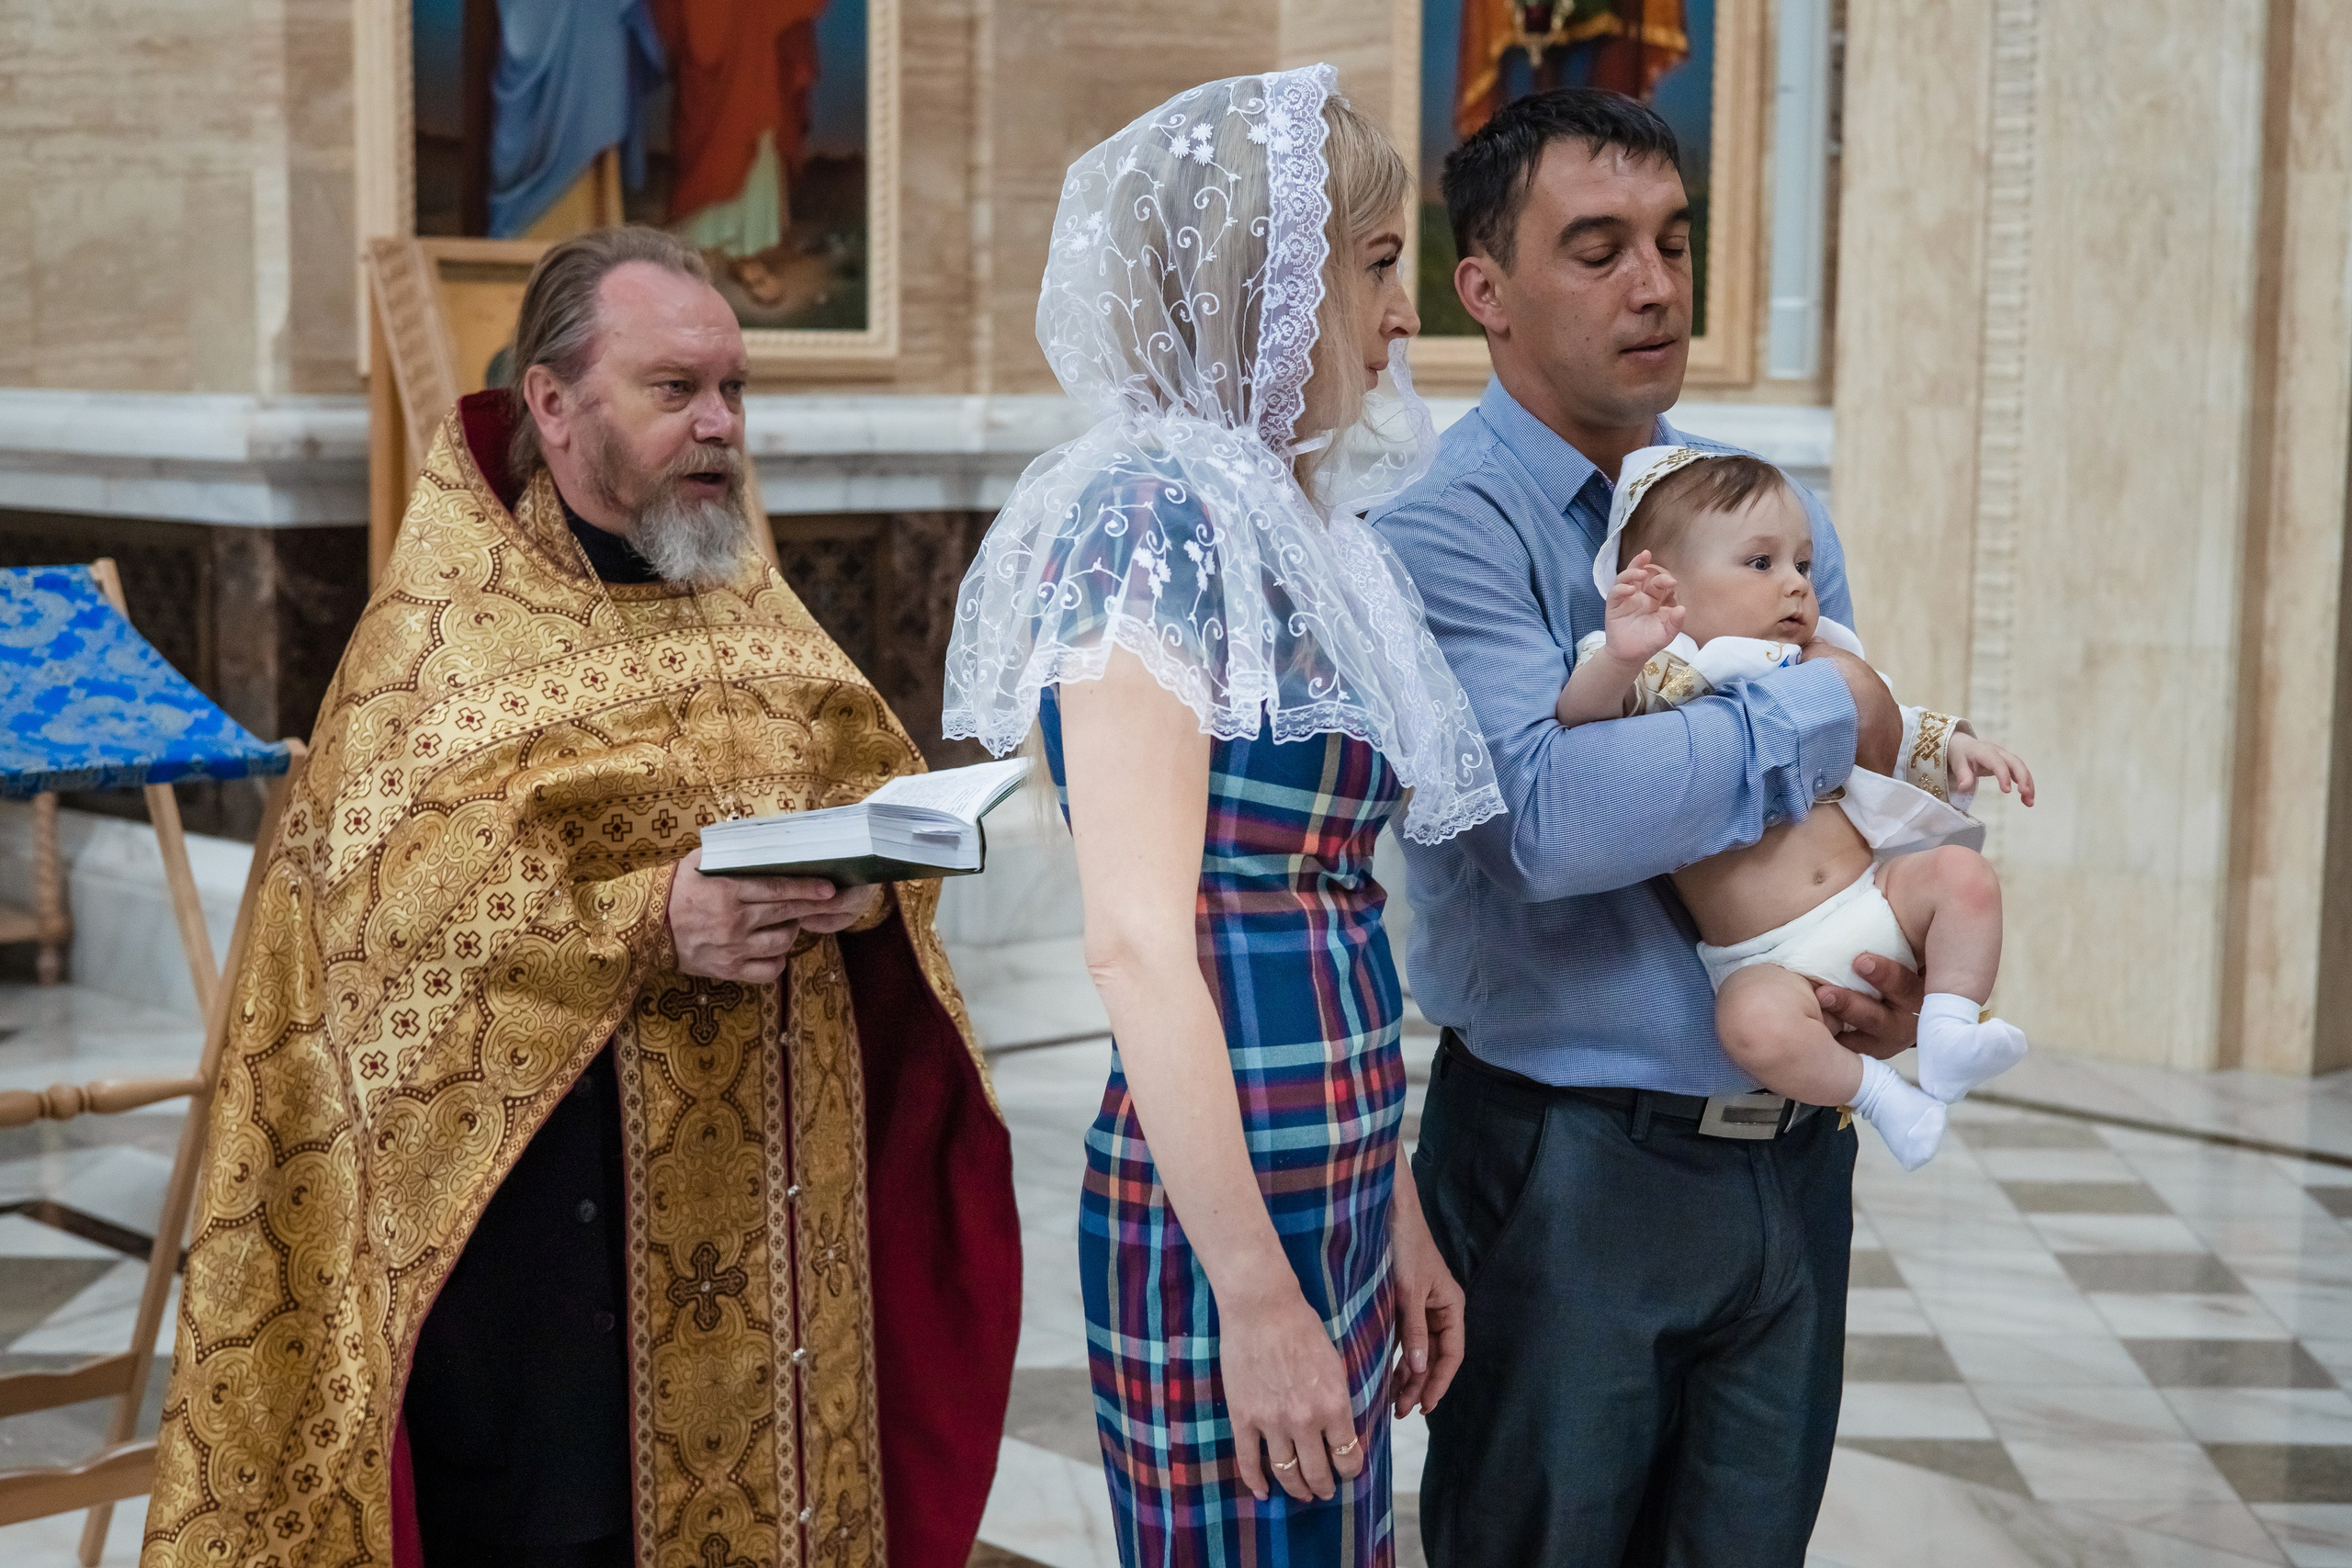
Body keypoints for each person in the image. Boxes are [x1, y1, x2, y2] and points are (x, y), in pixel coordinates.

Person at [143, 227, 1021, 1568]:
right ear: (552, 406)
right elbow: (386, 938)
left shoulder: (747, 599)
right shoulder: (438, 642)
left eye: (733, 389)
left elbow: (852, 766)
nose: (721, 423)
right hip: (552, 1273)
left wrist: (866, 880)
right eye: (675, 389)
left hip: (776, 1250)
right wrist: (650, 919)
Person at [1370, 87, 1947, 1563]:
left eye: (1674, 244)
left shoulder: (1752, 502)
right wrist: (1813, 707)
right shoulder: (1445, 530)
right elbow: (1553, 822)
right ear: (1483, 291)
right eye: (1598, 246)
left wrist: (1886, 943)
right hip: (1574, 1165)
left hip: (1798, 1152)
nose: (1655, 285)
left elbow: (1876, 785)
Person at [942, 66, 1499, 1566]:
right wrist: (1256, 1298)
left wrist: (1392, 1213)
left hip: (1332, 1169)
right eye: (1379, 266)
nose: (1407, 316)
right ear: (1274, 279)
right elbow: (1134, 940)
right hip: (1222, 1218)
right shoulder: (1147, 517)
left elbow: (1327, 912)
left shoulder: (1291, 524)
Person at [1557, 446, 2035, 1170]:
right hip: (1766, 960)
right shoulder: (1670, 670)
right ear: (1665, 581)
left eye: (1802, 566)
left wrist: (1956, 744)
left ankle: (1949, 1030)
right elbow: (1583, 724)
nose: (1796, 587)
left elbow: (1893, 724)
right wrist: (1622, 655)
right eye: (1761, 564)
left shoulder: (1815, 656)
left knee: (1964, 877)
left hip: (1872, 898)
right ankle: (1881, 1096)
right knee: (1748, 1024)